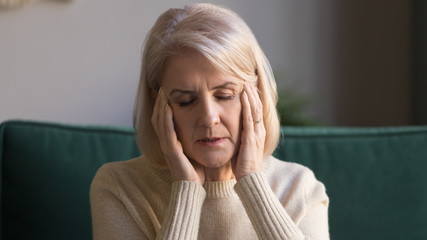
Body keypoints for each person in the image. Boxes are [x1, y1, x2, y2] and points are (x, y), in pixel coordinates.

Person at [90, 3, 329, 240]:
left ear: (256, 95)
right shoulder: (119, 187)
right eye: (185, 100)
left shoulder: (300, 189)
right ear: (159, 104)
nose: (208, 118)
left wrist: (252, 181)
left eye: (225, 96)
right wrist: (186, 190)